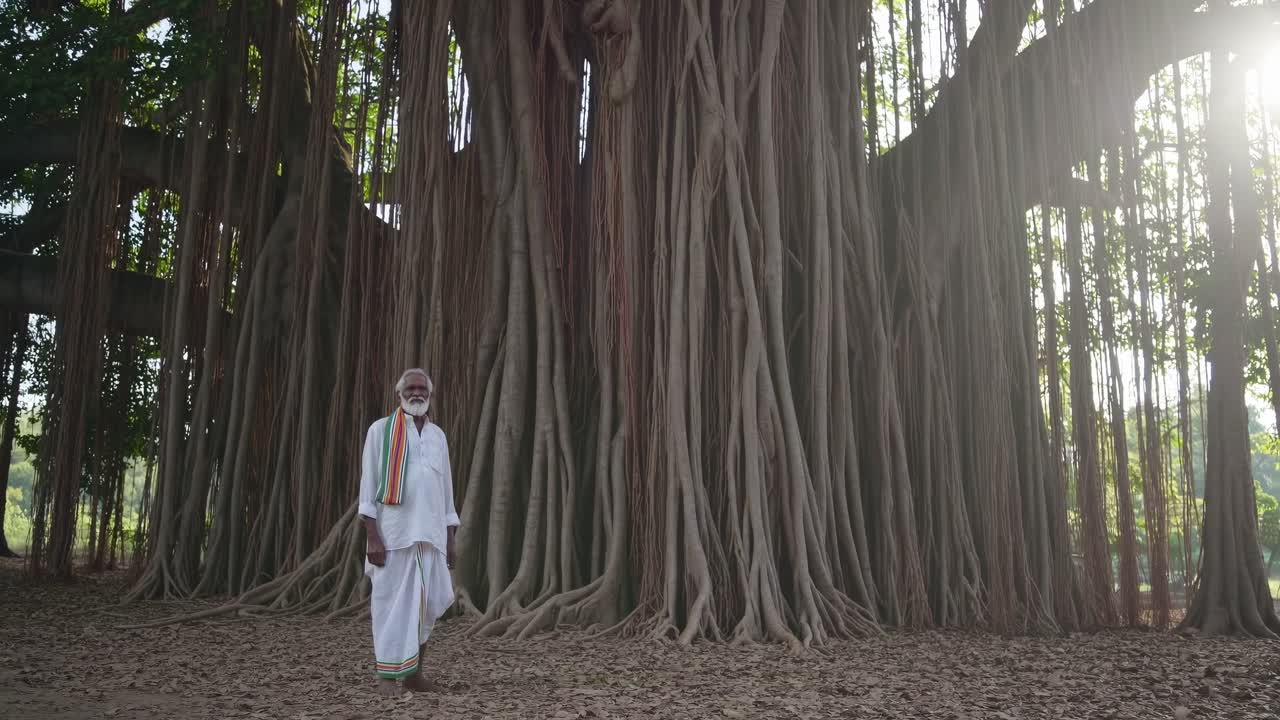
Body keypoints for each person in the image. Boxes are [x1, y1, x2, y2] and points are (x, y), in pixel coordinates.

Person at [358, 368, 459, 697]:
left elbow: (446, 490)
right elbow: (368, 487)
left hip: (431, 537)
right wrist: (373, 536)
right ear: (398, 393)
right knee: (390, 606)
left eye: (422, 389)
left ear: (430, 395)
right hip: (393, 537)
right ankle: (387, 678)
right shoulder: (379, 432)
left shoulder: (438, 436)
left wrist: (451, 537)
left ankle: (414, 676)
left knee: (426, 606)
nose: (417, 393)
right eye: (411, 388)